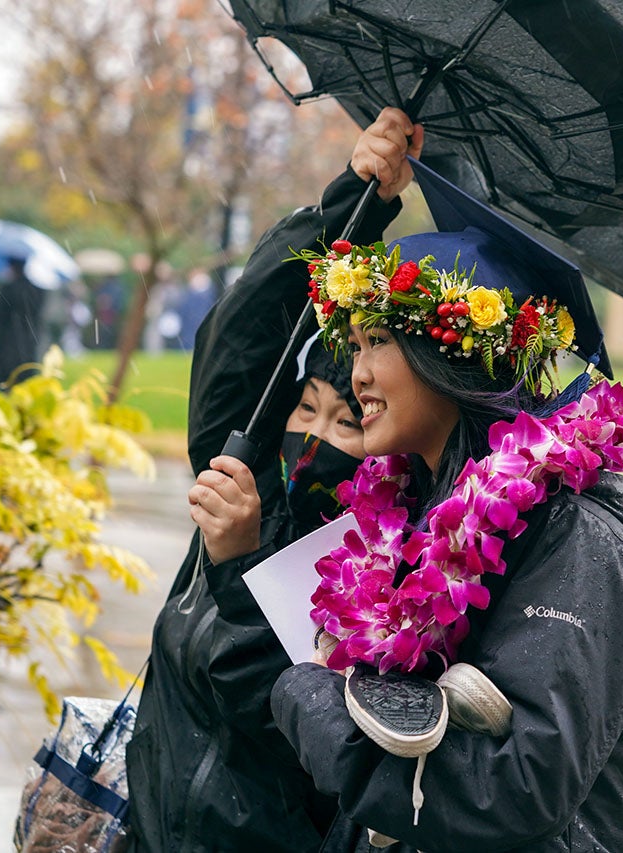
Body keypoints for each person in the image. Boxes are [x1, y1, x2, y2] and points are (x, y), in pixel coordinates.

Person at [269, 149, 623, 850]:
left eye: (378, 341)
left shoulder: (581, 538)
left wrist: (323, 717)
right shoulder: (406, 513)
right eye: (353, 343)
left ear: (450, 354)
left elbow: (514, 789)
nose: (357, 372)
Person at [125, 108, 422, 852]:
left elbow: (277, 712)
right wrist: (352, 205)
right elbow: (236, 342)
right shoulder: (249, 484)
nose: (315, 435)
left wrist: (242, 561)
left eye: (345, 423)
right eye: (306, 407)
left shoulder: (385, 565)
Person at [0, 256, 46, 386]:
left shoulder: (7, 289)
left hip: (7, 346)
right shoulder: (37, 290)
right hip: (29, 346)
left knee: (5, 385)